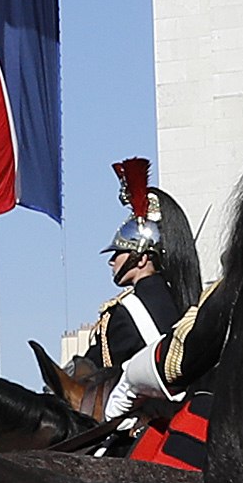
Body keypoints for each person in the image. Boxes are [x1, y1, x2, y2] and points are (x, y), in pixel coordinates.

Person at [58, 155, 194, 436]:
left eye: (118, 253)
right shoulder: (173, 300)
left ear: (141, 258)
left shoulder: (127, 311)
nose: (112, 261)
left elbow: (92, 370)